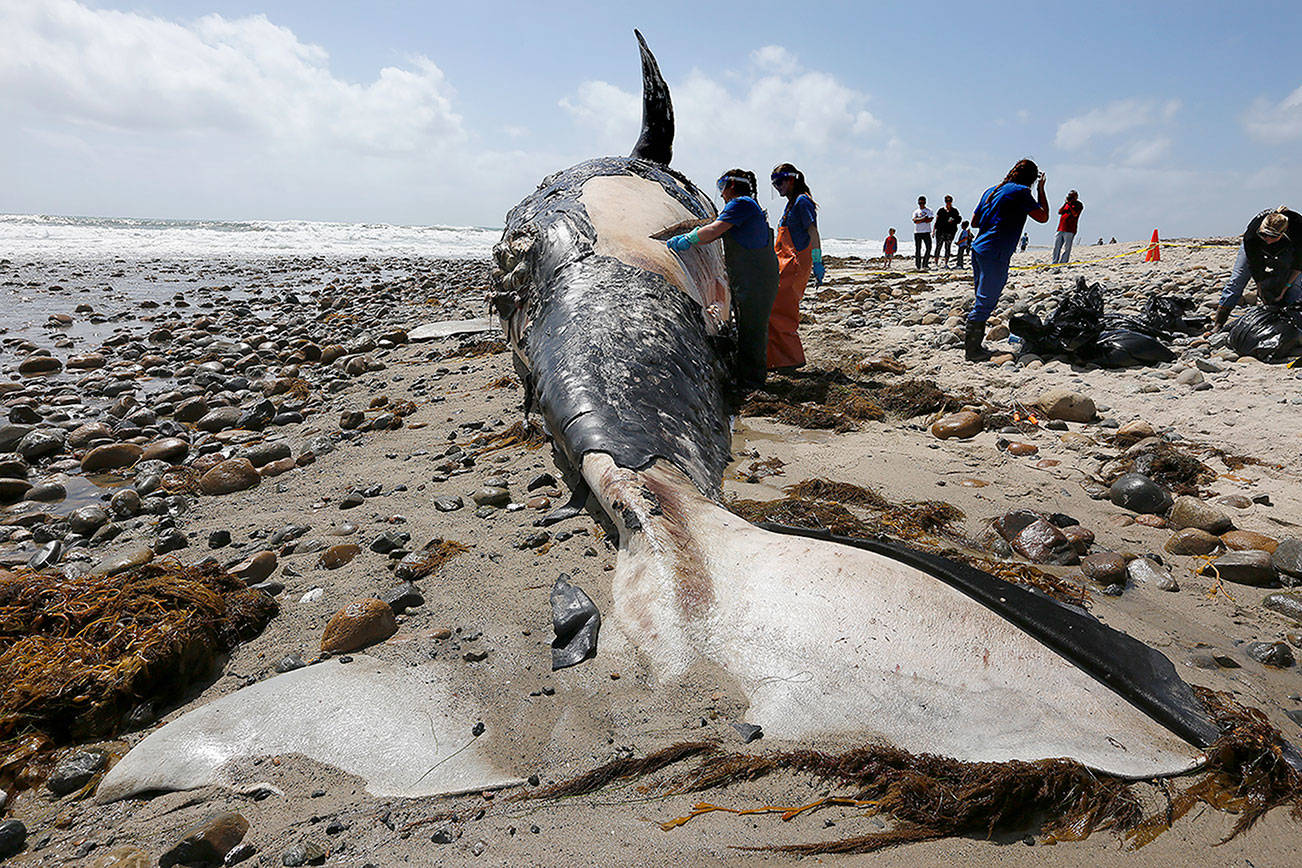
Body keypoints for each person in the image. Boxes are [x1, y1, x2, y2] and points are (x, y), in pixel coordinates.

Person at [666, 169, 780, 395]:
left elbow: (714, 230)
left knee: (752, 329)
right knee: (748, 326)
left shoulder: (742, 204)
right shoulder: (747, 205)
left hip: (755, 277)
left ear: (731, 186)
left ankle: (752, 383)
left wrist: (686, 240)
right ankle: (746, 376)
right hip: (750, 275)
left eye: (721, 187)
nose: (721, 193)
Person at [964, 158, 1050, 361]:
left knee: (981, 298)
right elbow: (1043, 216)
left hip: (978, 248)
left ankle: (974, 346)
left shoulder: (991, 190)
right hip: (996, 251)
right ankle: (973, 351)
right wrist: (1041, 189)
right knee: (986, 301)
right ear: (1031, 178)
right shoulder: (1021, 192)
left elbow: (975, 222)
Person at [765, 163, 821, 371]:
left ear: (791, 180)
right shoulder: (791, 203)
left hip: (794, 263)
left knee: (782, 311)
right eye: (774, 183)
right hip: (784, 262)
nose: (777, 186)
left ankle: (790, 359)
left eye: (779, 182)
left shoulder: (802, 201)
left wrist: (817, 261)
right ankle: (779, 359)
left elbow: (813, 231)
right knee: (775, 309)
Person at [1211, 206, 1302, 331]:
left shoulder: (1298, 229)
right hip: (1256, 247)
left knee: (1295, 287)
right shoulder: (1252, 234)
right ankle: (1219, 323)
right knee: (1237, 280)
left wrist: (1286, 287)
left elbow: (1298, 265)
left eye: (1273, 236)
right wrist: (1259, 287)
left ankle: (1294, 323)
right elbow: (1254, 264)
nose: (1268, 240)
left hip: (1287, 248)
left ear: (1284, 232)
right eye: (1264, 235)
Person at [1052, 190, 1083, 264]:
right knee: (1056, 246)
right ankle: (1054, 261)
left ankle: (1064, 261)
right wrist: (1065, 203)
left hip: (1070, 229)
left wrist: (1069, 204)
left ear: (1076, 196)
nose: (1070, 197)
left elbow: (1075, 214)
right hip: (1060, 228)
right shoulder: (1066, 204)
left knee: (1067, 247)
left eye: (1072, 196)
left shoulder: (1079, 204)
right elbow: (1059, 211)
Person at [933, 195, 961, 267]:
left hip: (950, 232)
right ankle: (936, 263)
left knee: (948, 247)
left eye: (949, 201)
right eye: (947, 201)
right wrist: (933, 231)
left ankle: (946, 263)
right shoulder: (941, 210)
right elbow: (936, 221)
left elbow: (959, 220)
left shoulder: (954, 211)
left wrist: (953, 220)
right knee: (938, 247)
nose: (948, 203)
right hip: (940, 231)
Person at [912, 196, 934, 270]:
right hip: (917, 232)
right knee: (918, 249)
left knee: (929, 248)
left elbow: (930, 219)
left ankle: (925, 263)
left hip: (926, 232)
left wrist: (920, 220)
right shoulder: (916, 211)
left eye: (923, 202)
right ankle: (918, 265)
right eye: (920, 203)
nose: (921, 204)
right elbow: (915, 221)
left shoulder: (929, 210)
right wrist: (923, 219)